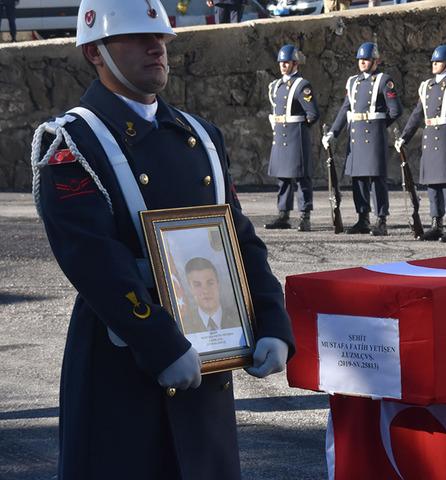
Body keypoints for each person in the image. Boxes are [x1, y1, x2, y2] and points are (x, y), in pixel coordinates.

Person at [29, 0, 293, 478]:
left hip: (206, 365)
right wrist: (160, 344)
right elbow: (91, 259)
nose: (156, 47)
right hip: (123, 364)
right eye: (136, 38)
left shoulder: (201, 135)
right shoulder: (71, 142)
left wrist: (271, 317)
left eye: (161, 37)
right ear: (94, 52)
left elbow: (238, 239)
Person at [323, 41, 402, 236]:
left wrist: (378, 125)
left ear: (376, 61)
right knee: (358, 179)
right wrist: (333, 132)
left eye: (366, 59)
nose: (362, 62)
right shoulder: (353, 82)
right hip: (356, 136)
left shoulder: (384, 81)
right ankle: (362, 218)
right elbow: (345, 109)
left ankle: (381, 219)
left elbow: (395, 110)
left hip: (373, 136)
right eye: (360, 59)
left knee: (376, 179)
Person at [395, 44, 446, 242]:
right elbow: (417, 114)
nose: (434, 64)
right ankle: (436, 224)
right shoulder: (426, 86)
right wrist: (404, 137)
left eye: (438, 61)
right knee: (433, 184)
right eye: (433, 61)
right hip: (430, 137)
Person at [264, 44, 319, 231]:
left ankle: (305, 215)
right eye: (281, 62)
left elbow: (312, 114)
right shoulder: (276, 86)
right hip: (281, 135)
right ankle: (283, 214)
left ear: (295, 64)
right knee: (283, 178)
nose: (283, 65)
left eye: (286, 62)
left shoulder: (302, 85)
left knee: (302, 178)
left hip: (296, 135)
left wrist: (300, 128)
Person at [182, 257, 242, 334]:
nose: (205, 291)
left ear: (218, 284)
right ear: (190, 289)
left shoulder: (239, 318)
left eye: (210, 283)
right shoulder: (184, 325)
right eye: (197, 285)